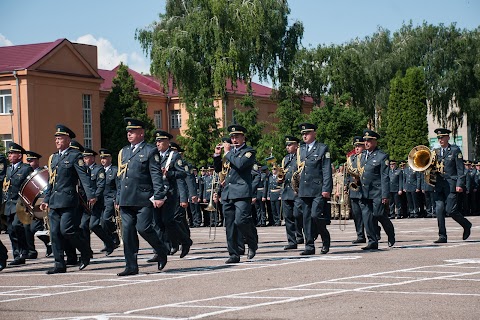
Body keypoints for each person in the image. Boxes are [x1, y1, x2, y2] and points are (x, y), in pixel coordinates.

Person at [115, 118, 169, 276]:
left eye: (132, 131)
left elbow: (156, 175)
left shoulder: (150, 150)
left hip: (142, 197)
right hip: (126, 199)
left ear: (141, 133)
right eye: (128, 132)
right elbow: (121, 177)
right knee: (128, 233)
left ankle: (161, 250)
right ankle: (131, 266)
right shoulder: (124, 151)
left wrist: (159, 195)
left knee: (143, 228)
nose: (129, 134)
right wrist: (118, 198)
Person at [40, 125, 96, 274]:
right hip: (54, 201)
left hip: (68, 200)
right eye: (56, 138)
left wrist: (91, 195)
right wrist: (46, 199)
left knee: (67, 230)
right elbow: (51, 181)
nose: (57, 141)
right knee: (55, 233)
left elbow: (84, 177)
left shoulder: (75, 156)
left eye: (60, 138)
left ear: (68, 139)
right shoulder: (54, 157)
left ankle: (85, 251)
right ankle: (59, 264)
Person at [213, 124, 258, 263]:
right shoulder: (229, 153)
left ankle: (252, 242)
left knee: (241, 220)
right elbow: (217, 169)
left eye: (237, 136)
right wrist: (217, 155)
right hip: (228, 192)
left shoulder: (249, 151)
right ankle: (233, 254)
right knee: (230, 225)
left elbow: (239, 164)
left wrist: (227, 153)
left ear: (243, 137)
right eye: (232, 137)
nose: (234, 140)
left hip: (242, 191)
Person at [297, 123, 332, 255]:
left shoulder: (322, 148)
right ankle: (309, 246)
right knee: (306, 218)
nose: (305, 135)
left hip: (318, 188)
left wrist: (326, 188)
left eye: (307, 133)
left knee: (315, 215)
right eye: (303, 134)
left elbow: (326, 170)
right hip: (304, 188)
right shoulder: (301, 150)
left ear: (314, 133)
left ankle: (325, 237)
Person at [432, 128, 472, 243]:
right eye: (439, 138)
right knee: (439, 210)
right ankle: (442, 236)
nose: (440, 140)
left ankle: (466, 224)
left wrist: (460, 184)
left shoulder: (455, 150)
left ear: (448, 138)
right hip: (439, 185)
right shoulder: (436, 152)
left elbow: (461, 170)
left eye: (443, 137)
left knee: (451, 210)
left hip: (451, 185)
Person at [358, 129, 395, 250]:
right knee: (367, 217)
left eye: (369, 140)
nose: (366, 143)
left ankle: (390, 233)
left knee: (379, 214)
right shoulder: (361, 156)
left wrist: (385, 195)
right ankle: (372, 241)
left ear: (375, 142)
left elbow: (385, 177)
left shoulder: (382, 156)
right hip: (364, 192)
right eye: (365, 140)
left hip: (377, 191)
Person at [3, 143, 33, 266]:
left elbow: (31, 186)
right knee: (10, 230)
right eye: (9, 154)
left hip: (20, 203)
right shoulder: (9, 169)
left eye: (12, 153)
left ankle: (23, 251)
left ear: (19, 155)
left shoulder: (26, 168)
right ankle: (17, 255)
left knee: (16, 226)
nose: (9, 155)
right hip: (9, 204)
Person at [82, 148, 115, 255]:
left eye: (86, 158)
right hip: (85, 203)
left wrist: (95, 197)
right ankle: (87, 251)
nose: (85, 160)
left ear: (92, 158)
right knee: (83, 226)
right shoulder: (83, 170)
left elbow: (101, 185)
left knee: (94, 225)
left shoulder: (98, 170)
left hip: (96, 203)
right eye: (84, 158)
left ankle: (109, 242)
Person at [24, 151, 52, 258]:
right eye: (28, 161)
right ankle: (48, 245)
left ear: (37, 161)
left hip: (45, 202)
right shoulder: (26, 173)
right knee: (33, 229)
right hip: (33, 205)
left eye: (32, 160)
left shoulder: (43, 171)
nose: (30, 163)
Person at [280, 136, 304, 250]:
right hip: (286, 190)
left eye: (290, 145)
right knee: (288, 217)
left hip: (297, 190)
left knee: (297, 214)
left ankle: (300, 235)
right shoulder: (285, 159)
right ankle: (292, 241)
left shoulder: (300, 157)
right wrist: (280, 178)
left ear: (296, 146)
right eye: (287, 145)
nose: (287, 147)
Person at [98, 148, 121, 247]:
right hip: (101, 199)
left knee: (106, 219)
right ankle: (109, 241)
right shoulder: (99, 170)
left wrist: (117, 199)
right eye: (102, 158)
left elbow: (118, 186)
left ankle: (114, 235)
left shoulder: (115, 170)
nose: (103, 160)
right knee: (100, 223)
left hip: (110, 199)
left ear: (110, 158)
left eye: (105, 158)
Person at [348, 136, 366, 243]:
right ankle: (360, 235)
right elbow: (348, 174)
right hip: (354, 190)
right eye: (356, 146)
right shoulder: (352, 158)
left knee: (367, 214)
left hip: (364, 189)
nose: (357, 148)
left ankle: (373, 233)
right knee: (356, 214)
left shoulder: (366, 157)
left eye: (359, 146)